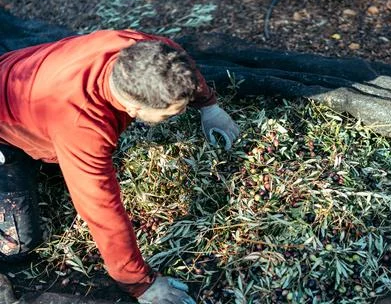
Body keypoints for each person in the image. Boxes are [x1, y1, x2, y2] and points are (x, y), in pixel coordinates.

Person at [0, 29, 240, 303]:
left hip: (32, 78)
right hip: (9, 127)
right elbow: (101, 210)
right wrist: (139, 283)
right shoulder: (82, 126)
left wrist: (209, 105)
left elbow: (179, 62)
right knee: (16, 247)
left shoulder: (144, 50)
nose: (181, 113)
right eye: (171, 113)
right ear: (133, 108)